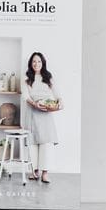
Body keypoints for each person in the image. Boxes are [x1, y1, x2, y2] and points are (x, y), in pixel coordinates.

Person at [23, 50, 62, 184]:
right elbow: (25, 96)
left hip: (46, 112)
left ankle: (45, 173)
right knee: (33, 142)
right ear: (30, 63)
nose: (36, 63)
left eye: (39, 61)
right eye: (34, 61)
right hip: (32, 112)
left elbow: (57, 94)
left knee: (46, 142)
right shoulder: (27, 78)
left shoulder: (48, 77)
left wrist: (60, 101)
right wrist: (34, 104)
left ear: (43, 63)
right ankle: (35, 172)